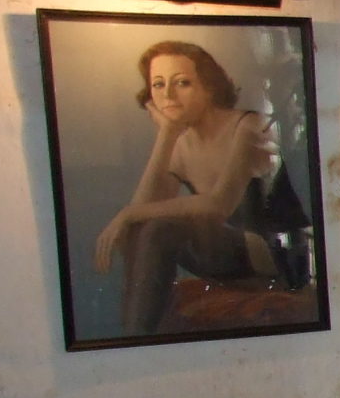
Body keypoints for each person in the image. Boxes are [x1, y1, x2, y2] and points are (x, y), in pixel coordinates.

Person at [94, 41, 313, 333]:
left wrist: (127, 214)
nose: (167, 95)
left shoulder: (248, 126)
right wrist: (167, 134)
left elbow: (218, 205)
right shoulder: (181, 141)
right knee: (147, 228)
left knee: (159, 230)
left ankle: (135, 337)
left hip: (274, 254)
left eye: (182, 83)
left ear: (209, 87)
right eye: (158, 84)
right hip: (228, 253)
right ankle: (135, 336)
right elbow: (140, 217)